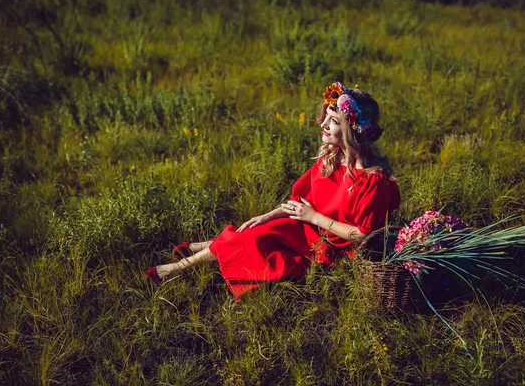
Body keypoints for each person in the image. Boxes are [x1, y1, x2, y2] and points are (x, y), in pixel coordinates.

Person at [145, 82, 401, 299]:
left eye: (333, 120)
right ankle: (200, 252)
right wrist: (268, 215)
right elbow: (302, 201)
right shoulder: (332, 157)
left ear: (353, 130)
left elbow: (361, 235)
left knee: (254, 241)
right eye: (326, 115)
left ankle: (179, 267)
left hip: (332, 246)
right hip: (308, 227)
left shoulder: (372, 180)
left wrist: (314, 218)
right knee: (257, 228)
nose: (323, 123)